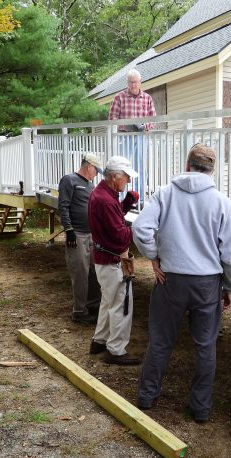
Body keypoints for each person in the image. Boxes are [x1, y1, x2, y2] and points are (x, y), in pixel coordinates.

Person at [132, 143, 231, 423]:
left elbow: (140, 228)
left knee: (160, 341)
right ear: (211, 169)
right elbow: (229, 253)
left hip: (170, 280)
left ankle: (146, 397)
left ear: (188, 165)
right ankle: (200, 409)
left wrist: (153, 257)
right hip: (206, 284)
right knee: (205, 346)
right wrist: (228, 287)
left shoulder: (164, 194)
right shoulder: (221, 202)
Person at [88, 155, 142, 366]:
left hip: (104, 259)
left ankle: (100, 341)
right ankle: (116, 350)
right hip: (112, 260)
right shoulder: (105, 199)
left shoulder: (103, 194)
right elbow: (119, 235)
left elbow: (112, 220)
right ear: (115, 176)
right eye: (126, 177)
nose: (128, 181)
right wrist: (141, 227)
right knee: (121, 304)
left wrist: (127, 203)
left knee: (108, 301)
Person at [57, 153, 103, 325]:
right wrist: (69, 230)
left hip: (91, 235)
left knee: (93, 271)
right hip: (77, 234)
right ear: (88, 166)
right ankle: (79, 312)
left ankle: (93, 304)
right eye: (96, 170)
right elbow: (63, 205)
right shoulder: (69, 180)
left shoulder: (90, 185)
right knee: (80, 273)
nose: (96, 173)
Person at [108, 69, 156, 198]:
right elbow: (112, 119)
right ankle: (121, 195)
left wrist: (145, 126)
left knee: (140, 166)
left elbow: (153, 119)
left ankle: (138, 196)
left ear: (140, 82)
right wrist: (127, 125)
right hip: (125, 136)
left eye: (136, 82)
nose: (133, 85)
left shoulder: (147, 98)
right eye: (131, 82)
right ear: (127, 83)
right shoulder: (119, 97)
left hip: (141, 136)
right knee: (122, 166)